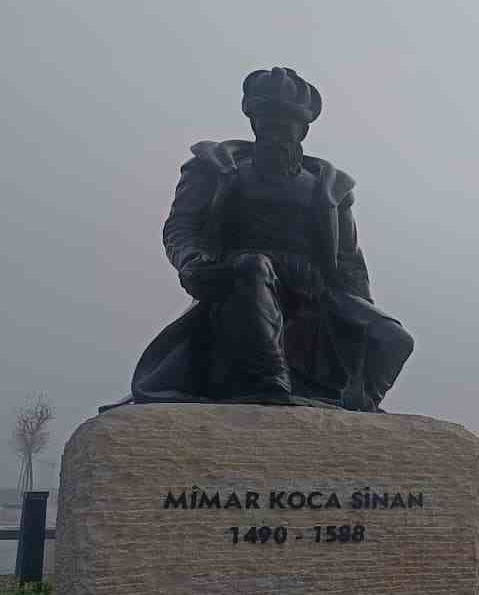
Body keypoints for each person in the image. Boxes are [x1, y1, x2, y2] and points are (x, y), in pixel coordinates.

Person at [127, 68, 413, 410]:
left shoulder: (330, 189)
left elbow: (349, 263)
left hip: (315, 290)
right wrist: (190, 261)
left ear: (303, 130)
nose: (275, 135)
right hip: (243, 281)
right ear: (254, 124)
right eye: (268, 125)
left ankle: (356, 407)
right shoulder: (213, 168)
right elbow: (181, 227)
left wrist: (362, 314)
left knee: (394, 339)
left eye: (285, 127)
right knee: (253, 266)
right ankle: (270, 382)